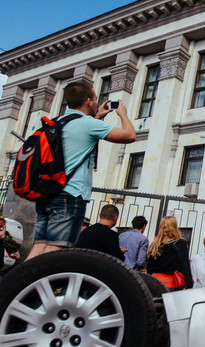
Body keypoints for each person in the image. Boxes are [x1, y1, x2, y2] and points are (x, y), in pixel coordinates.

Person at [26, 81, 136, 261]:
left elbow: (80, 138)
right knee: (54, 252)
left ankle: (18, 287)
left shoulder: (56, 121)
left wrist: (97, 118)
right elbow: (130, 135)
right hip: (69, 196)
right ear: (88, 101)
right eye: (95, 99)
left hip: (47, 194)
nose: (96, 102)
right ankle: (39, 287)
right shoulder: (88, 124)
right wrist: (122, 114)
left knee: (38, 249)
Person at [146, 216, 193, 291]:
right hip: (171, 283)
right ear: (175, 227)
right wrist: (189, 285)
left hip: (154, 283)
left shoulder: (154, 245)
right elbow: (185, 265)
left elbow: (149, 267)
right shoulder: (179, 244)